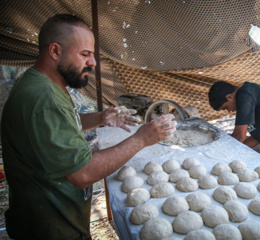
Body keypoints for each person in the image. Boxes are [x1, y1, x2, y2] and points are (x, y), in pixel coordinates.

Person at [1, 14, 176, 240]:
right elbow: (82, 173)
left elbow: (58, 127)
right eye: (85, 54)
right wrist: (141, 139)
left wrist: (101, 118)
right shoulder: (44, 98)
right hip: (51, 229)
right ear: (55, 51)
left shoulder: (45, 85)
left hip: (54, 221)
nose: (92, 62)